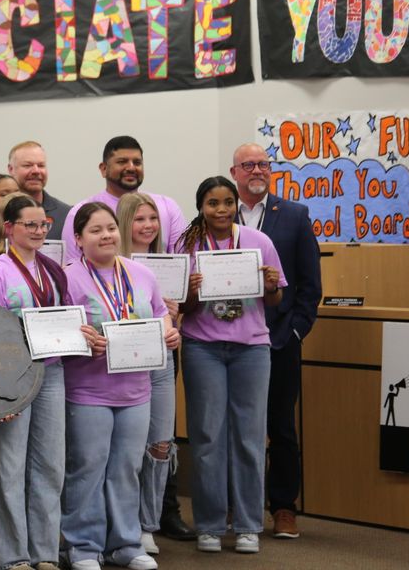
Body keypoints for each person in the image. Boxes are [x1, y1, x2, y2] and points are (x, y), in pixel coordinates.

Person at [60, 202, 178, 570]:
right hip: (88, 390)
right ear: (78, 239)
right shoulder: (66, 278)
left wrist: (170, 332)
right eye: (95, 230)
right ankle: (83, 546)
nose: (106, 235)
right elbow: (59, 331)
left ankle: (126, 543)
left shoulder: (141, 273)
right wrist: (83, 340)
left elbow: (160, 314)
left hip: (136, 390)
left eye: (110, 228)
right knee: (88, 467)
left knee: (127, 468)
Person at [178, 176, 284, 555]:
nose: (220, 210)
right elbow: (181, 308)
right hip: (203, 347)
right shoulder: (186, 245)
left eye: (226, 202)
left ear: (235, 204)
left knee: (250, 437)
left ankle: (247, 525)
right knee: (207, 435)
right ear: (200, 207)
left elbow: (274, 301)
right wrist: (190, 291)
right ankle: (208, 524)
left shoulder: (259, 242)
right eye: (211, 203)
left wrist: (271, 286)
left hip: (251, 350)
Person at [229, 143, 321, 540]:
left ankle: (284, 507)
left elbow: (310, 284)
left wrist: (297, 330)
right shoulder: (217, 213)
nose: (257, 170)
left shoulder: (295, 216)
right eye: (248, 165)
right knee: (236, 427)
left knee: (281, 427)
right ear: (234, 172)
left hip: (280, 340)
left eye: (263, 164)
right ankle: (237, 506)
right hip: (229, 340)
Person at [0, 194, 69, 570]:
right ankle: (13, 557)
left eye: (43, 224)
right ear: (9, 228)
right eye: (29, 224)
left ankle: (44, 553)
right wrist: (0, 389)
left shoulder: (53, 268)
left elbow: (64, 313)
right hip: (11, 374)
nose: (38, 231)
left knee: (50, 466)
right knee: (9, 467)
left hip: (53, 371)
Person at [115, 193, 179, 557]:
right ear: (125, 223)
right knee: (129, 449)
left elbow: (169, 315)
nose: (148, 226)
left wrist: (173, 318)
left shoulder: (167, 263)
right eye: (140, 219)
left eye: (153, 219)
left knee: (160, 444)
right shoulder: (111, 264)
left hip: (161, 358)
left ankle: (146, 524)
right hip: (126, 362)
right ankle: (125, 523)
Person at [61, 136, 188, 264]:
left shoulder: (168, 206)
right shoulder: (79, 212)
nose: (131, 168)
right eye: (122, 162)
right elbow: (72, 266)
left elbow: (183, 263)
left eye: (137, 162)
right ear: (103, 169)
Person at [6, 141, 69, 241]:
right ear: (11, 169)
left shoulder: (66, 215)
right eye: (27, 165)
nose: (36, 171)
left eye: (41, 165)